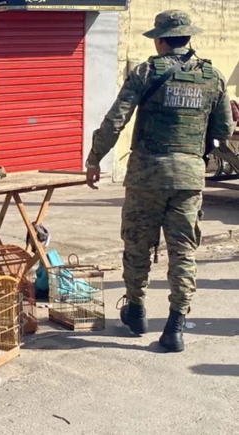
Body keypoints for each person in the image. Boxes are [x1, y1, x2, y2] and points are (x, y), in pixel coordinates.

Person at [85, 10, 235, 353]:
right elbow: (224, 130)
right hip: (188, 178)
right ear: (188, 38)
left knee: (137, 244)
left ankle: (136, 312)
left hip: (146, 176)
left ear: (161, 40)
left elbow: (115, 121)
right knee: (183, 252)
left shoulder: (146, 71)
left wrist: (94, 159)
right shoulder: (213, 76)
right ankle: (176, 326)